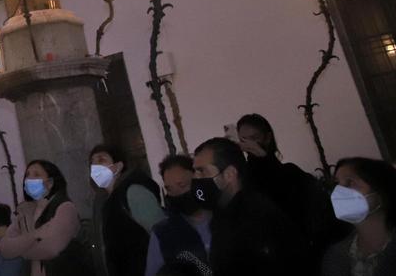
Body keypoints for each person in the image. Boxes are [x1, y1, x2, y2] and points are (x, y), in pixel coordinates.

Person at [236, 112, 346, 270]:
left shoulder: (290, 172)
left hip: (306, 252)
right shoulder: (244, 177)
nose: (249, 145)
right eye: (244, 140)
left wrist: (264, 158)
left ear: (267, 137)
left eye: (254, 138)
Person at [192, 137, 305, 275]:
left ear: (229, 174)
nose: (196, 179)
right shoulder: (223, 214)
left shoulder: (257, 217)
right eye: (195, 172)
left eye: (202, 171)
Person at [0, 160, 93, 275]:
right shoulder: (24, 212)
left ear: (50, 182)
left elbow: (51, 248)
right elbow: (6, 248)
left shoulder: (65, 207)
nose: (29, 179)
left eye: (36, 175)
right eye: (27, 175)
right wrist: (36, 234)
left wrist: (20, 249)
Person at [88, 144, 164, 276]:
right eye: (92, 163)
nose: (95, 167)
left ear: (118, 166)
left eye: (101, 160)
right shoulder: (102, 200)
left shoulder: (133, 192)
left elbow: (162, 234)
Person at [320, 156, 396, 275]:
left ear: (381, 192)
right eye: (337, 184)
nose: (338, 192)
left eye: (350, 182)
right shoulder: (334, 256)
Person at [145, 155, 211, 276]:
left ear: (197, 179)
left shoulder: (226, 219)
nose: (177, 194)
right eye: (169, 189)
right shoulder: (162, 233)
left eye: (182, 186)